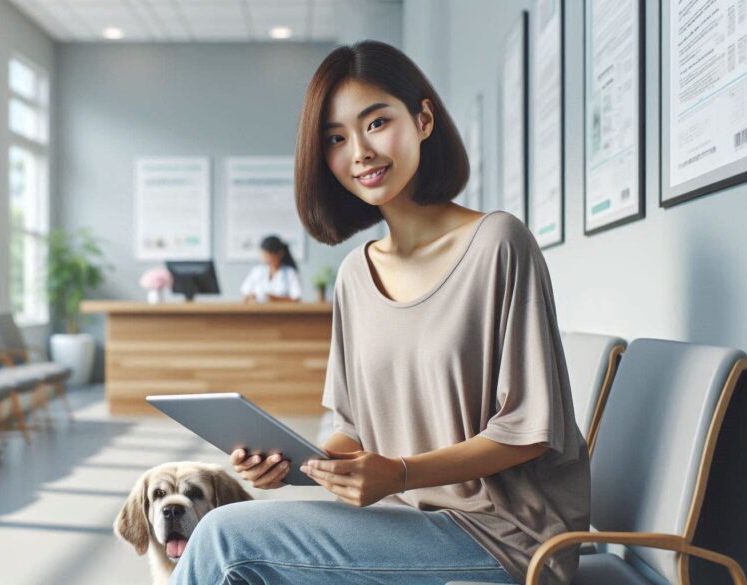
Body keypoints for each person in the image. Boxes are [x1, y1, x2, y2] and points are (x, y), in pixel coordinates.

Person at [169, 40, 589, 585]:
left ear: (423, 118)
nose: (360, 152)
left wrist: (401, 473)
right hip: (404, 520)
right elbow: (349, 427)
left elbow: (529, 429)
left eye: (375, 123)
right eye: (336, 139)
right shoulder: (354, 274)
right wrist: (298, 464)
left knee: (227, 539)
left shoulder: (498, 243)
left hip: (506, 540)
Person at [240, 235, 303, 303]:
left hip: (282, 312)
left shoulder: (290, 273)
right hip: (258, 311)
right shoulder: (257, 271)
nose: (266, 258)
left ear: (280, 254)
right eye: (264, 254)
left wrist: (275, 299)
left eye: (269, 254)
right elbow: (245, 295)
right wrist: (251, 297)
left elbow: (296, 299)